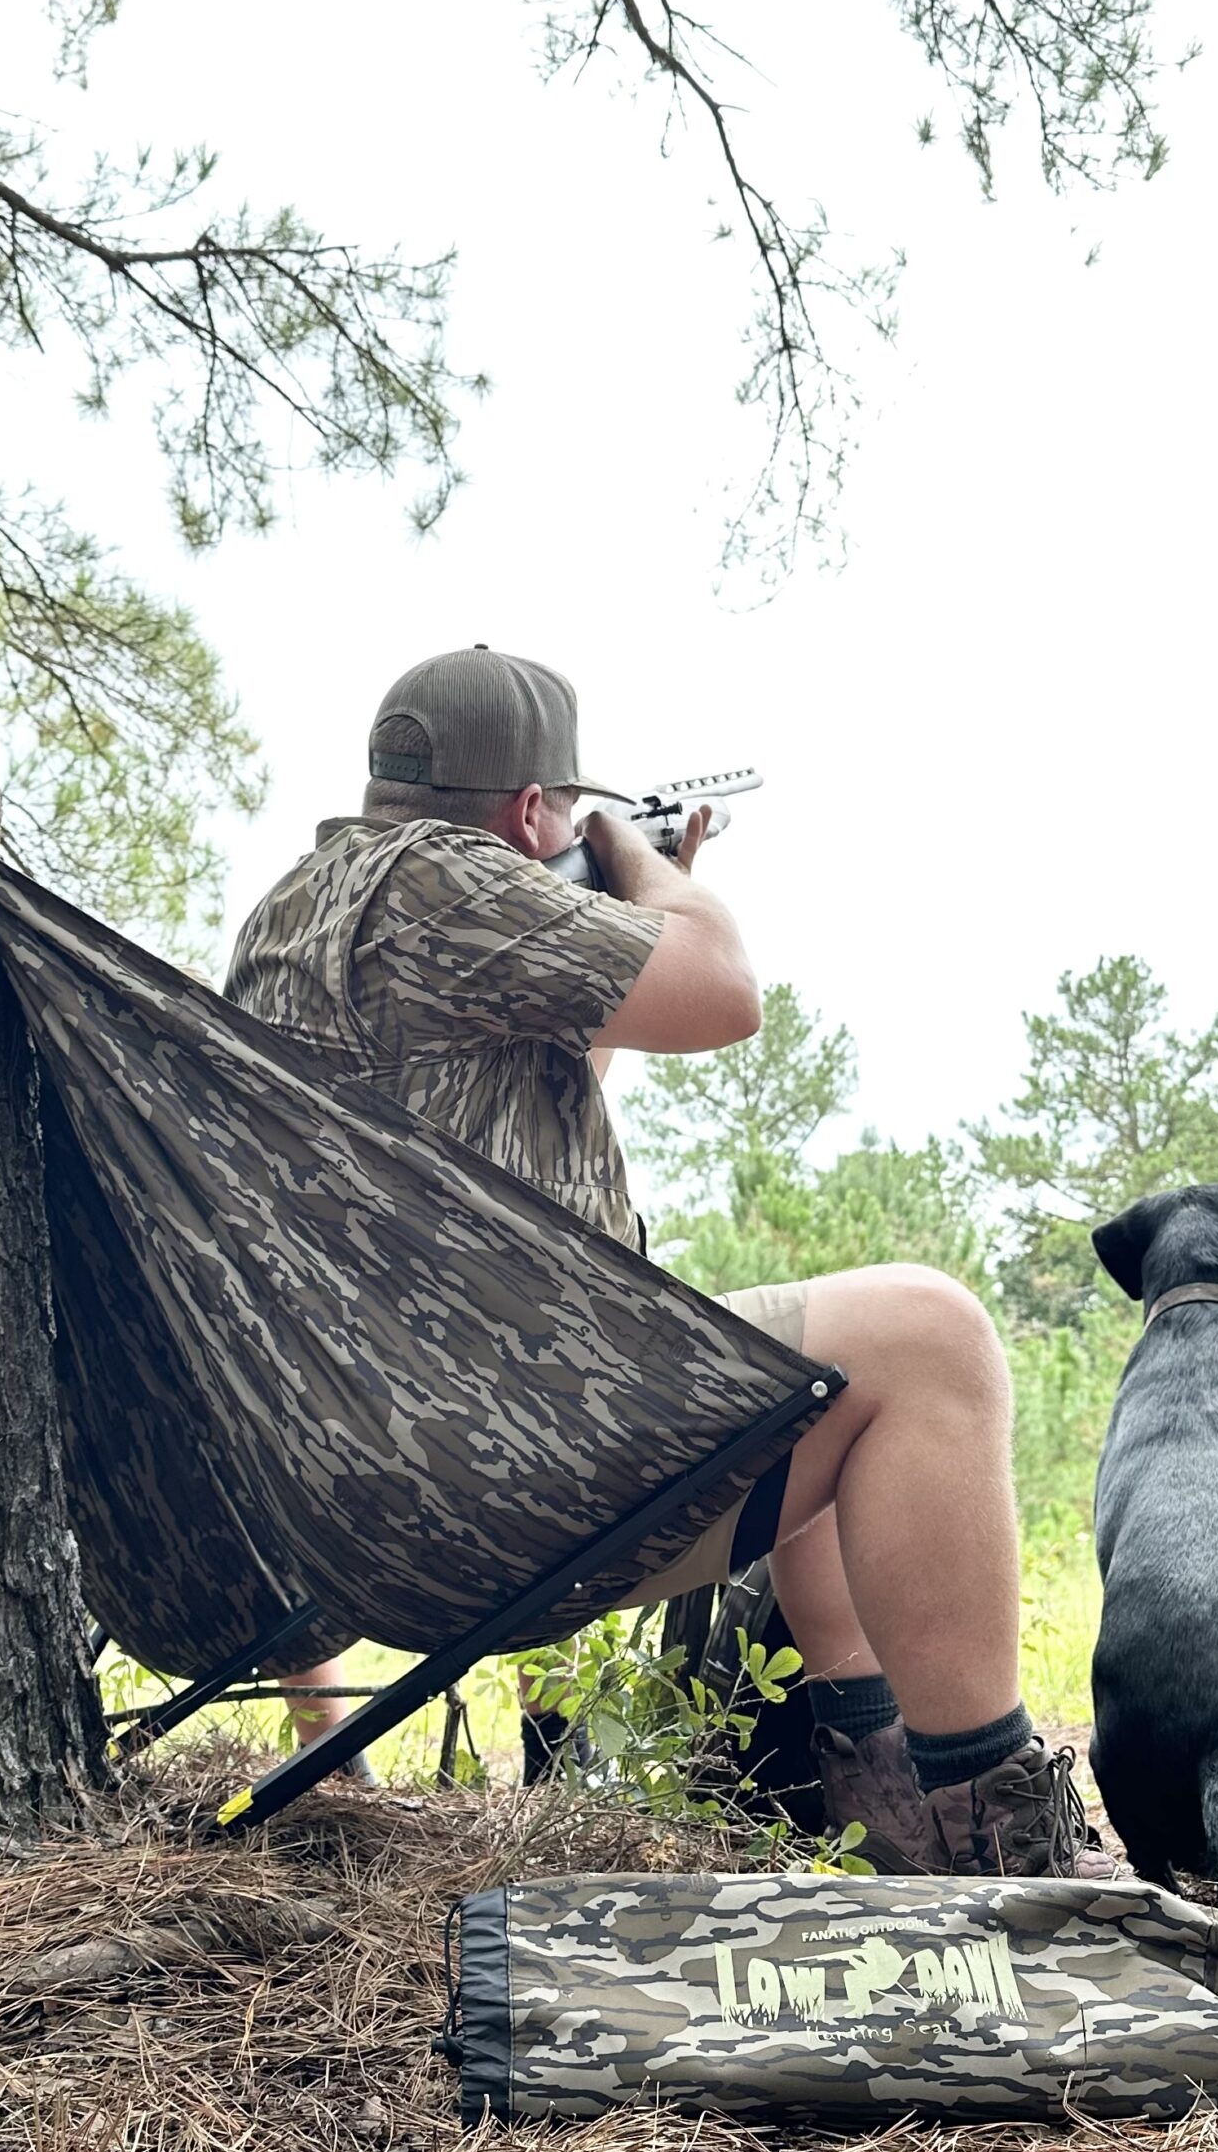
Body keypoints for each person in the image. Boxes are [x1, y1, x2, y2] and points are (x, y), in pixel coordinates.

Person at [226, 647, 1105, 1876]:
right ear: (535, 812)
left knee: (809, 1390)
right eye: (567, 811)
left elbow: (506, 1134)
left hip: (350, 1485)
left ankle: (895, 1806)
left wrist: (610, 910)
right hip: (504, 1481)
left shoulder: (293, 912)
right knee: (932, 1336)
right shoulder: (450, 879)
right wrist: (646, 869)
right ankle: (1002, 1836)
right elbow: (726, 990)